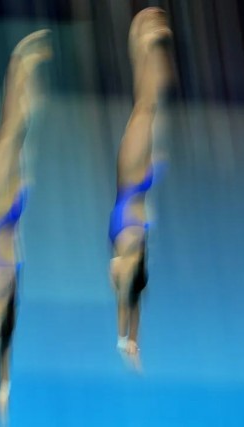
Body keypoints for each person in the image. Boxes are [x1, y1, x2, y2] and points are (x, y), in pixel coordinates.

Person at [0, 29, 52, 422]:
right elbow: (2, 351)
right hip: (11, 215)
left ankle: (18, 62)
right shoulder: (9, 303)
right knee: (22, 127)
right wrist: (4, 391)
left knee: (12, 126)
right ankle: (24, 68)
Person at [109, 7, 173, 370]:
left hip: (130, 185)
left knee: (145, 106)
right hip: (137, 187)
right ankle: (143, 40)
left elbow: (125, 304)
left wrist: (124, 341)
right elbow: (134, 309)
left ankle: (140, 39)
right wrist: (132, 343)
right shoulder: (136, 270)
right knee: (150, 106)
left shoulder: (125, 267)